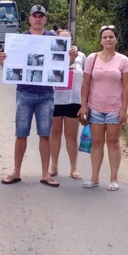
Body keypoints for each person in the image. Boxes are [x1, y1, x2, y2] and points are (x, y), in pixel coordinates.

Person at [0, 5, 77, 187]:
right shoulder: (19, 40)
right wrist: (3, 61)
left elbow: (62, 66)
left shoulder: (53, 39)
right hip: (24, 92)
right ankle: (16, 171)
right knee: (21, 134)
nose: (38, 19)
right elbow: (11, 68)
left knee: (44, 134)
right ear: (30, 19)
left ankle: (45, 174)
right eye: (35, 16)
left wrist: (71, 57)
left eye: (41, 16)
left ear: (45, 19)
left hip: (46, 95)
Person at [78, 25, 128, 191]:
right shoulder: (93, 58)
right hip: (95, 107)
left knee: (113, 142)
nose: (108, 39)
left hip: (114, 108)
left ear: (116, 39)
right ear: (100, 40)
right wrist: (83, 105)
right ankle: (94, 177)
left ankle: (114, 178)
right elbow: (86, 83)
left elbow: (127, 86)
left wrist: (124, 109)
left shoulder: (123, 60)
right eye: (105, 37)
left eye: (111, 37)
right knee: (97, 143)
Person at [49, 29, 85, 180]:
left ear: (72, 40)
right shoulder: (51, 55)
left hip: (73, 100)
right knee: (54, 134)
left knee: (71, 135)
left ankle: (73, 167)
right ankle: (54, 165)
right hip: (55, 99)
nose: (65, 41)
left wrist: (85, 103)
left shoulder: (81, 57)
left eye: (68, 38)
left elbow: (88, 80)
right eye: (61, 38)